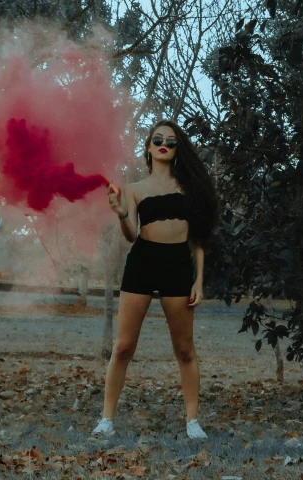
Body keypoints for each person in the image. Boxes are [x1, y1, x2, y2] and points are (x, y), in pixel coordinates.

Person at [92, 119, 219, 440]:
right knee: (123, 347)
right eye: (157, 139)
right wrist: (122, 213)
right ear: (148, 147)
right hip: (143, 262)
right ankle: (106, 420)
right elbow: (132, 234)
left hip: (178, 264)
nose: (164, 143)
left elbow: (198, 240)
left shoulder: (190, 190)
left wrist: (199, 280)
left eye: (171, 141)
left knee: (185, 349)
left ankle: (192, 422)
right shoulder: (133, 190)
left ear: (177, 151)